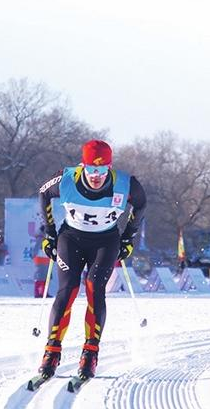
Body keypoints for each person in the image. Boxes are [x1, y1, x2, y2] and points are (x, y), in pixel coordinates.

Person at [35, 139, 147, 380]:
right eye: (91, 169)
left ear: (109, 167)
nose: (96, 176)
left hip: (105, 242)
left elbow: (141, 204)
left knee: (95, 288)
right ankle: (52, 350)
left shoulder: (126, 184)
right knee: (68, 290)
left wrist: (128, 237)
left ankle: (90, 352)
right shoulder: (66, 179)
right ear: (82, 165)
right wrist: (49, 233)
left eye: (102, 170)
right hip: (71, 239)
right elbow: (43, 193)